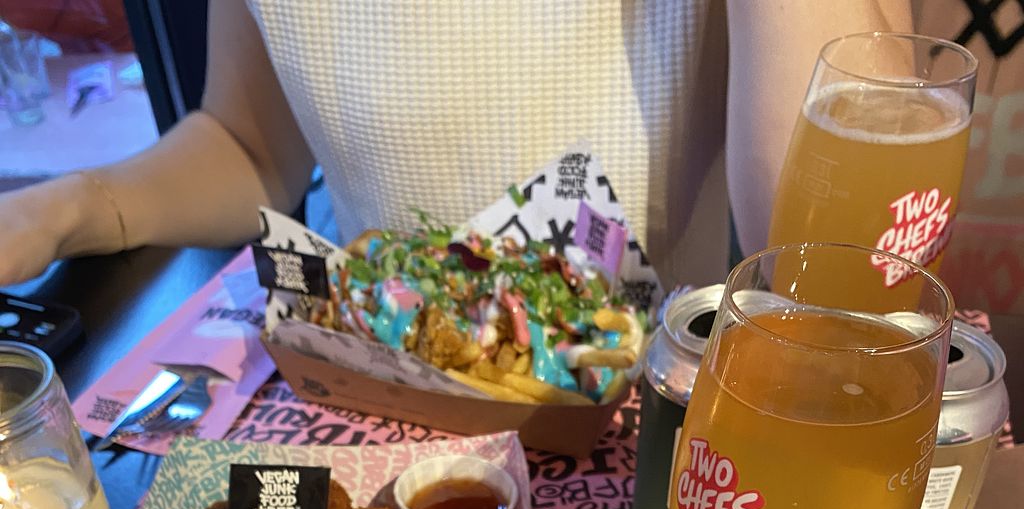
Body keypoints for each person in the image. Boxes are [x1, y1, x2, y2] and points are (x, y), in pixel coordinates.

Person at [0, 0, 910, 291]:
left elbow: (841, 272)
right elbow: (249, 146)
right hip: (369, 380)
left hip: (637, 427)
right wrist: (65, 207)